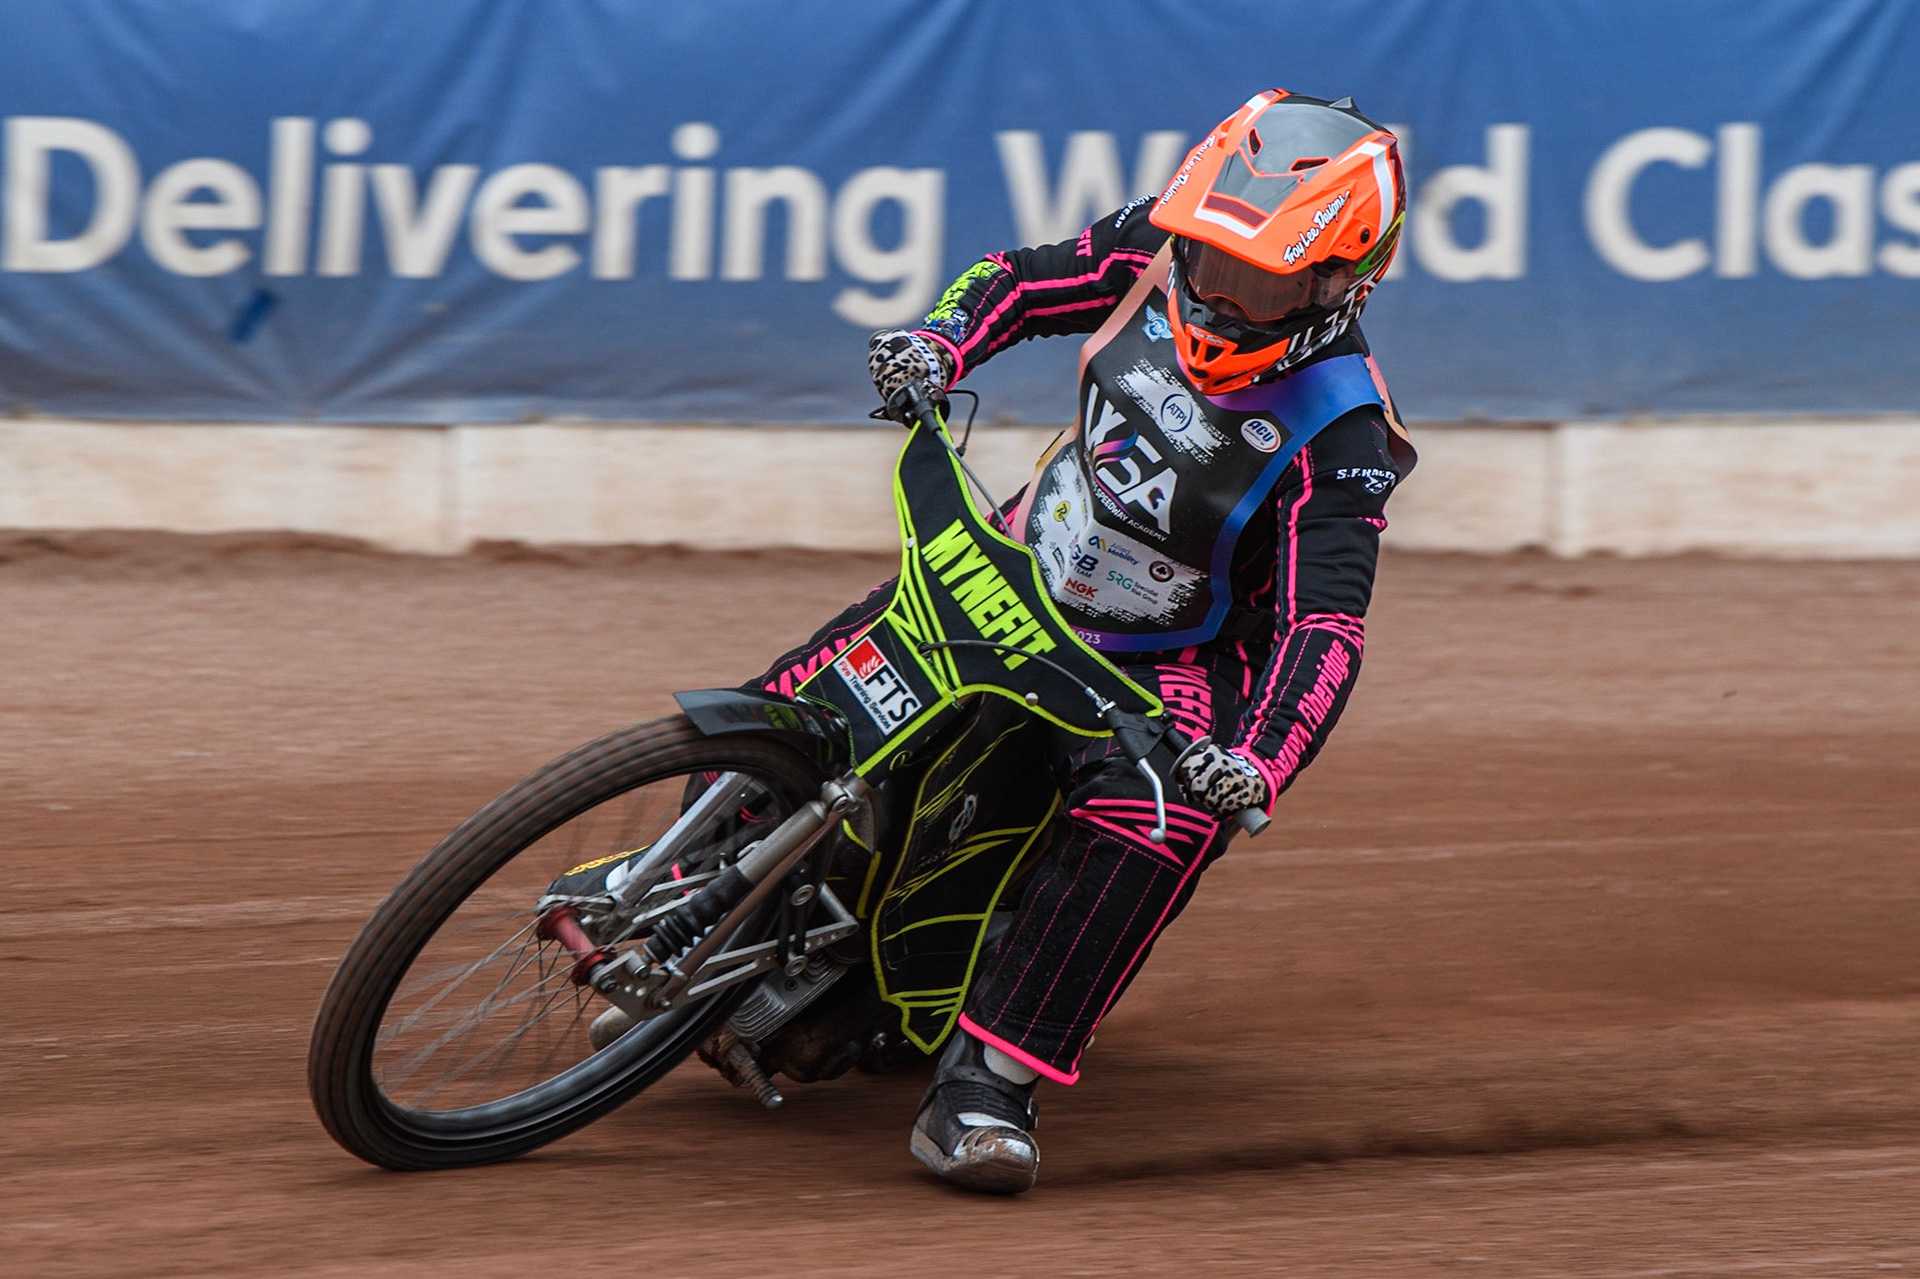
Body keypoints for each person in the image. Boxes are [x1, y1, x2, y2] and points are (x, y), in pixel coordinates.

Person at [760, 89, 1416, 1194]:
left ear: (1338, 282)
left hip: (1173, 662)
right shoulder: (1161, 248)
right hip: (1024, 557)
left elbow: (1324, 628)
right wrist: (936, 342)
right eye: (1207, 256)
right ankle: (674, 878)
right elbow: (1016, 281)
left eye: (1250, 279)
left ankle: (986, 1084)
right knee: (820, 695)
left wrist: (1255, 761)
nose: (1210, 286)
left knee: (1158, 818)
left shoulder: (1342, 432)